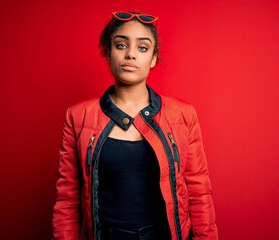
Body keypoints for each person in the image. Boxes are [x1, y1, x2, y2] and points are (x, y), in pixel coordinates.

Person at [52, 11, 218, 240]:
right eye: (120, 45)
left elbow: (199, 193)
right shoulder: (78, 116)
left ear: (153, 58)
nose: (130, 54)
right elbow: (68, 199)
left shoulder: (183, 114)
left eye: (142, 48)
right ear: (108, 52)